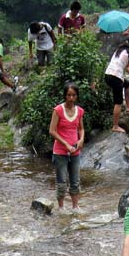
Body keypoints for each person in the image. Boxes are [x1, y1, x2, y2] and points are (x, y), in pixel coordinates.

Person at [49, 83, 85, 211]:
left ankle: (75, 207)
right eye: (69, 95)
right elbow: (52, 131)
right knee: (62, 182)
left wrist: (81, 140)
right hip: (60, 152)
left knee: (75, 181)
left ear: (77, 96)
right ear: (65, 96)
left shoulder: (79, 111)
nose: (71, 98)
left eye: (73, 95)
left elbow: (81, 128)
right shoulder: (58, 110)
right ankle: (61, 208)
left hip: (75, 151)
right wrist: (65, 144)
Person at [105, 36, 129, 133]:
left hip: (107, 75)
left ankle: (128, 106)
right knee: (118, 102)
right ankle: (115, 126)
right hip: (116, 77)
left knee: (127, 84)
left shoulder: (119, 50)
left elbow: (125, 67)